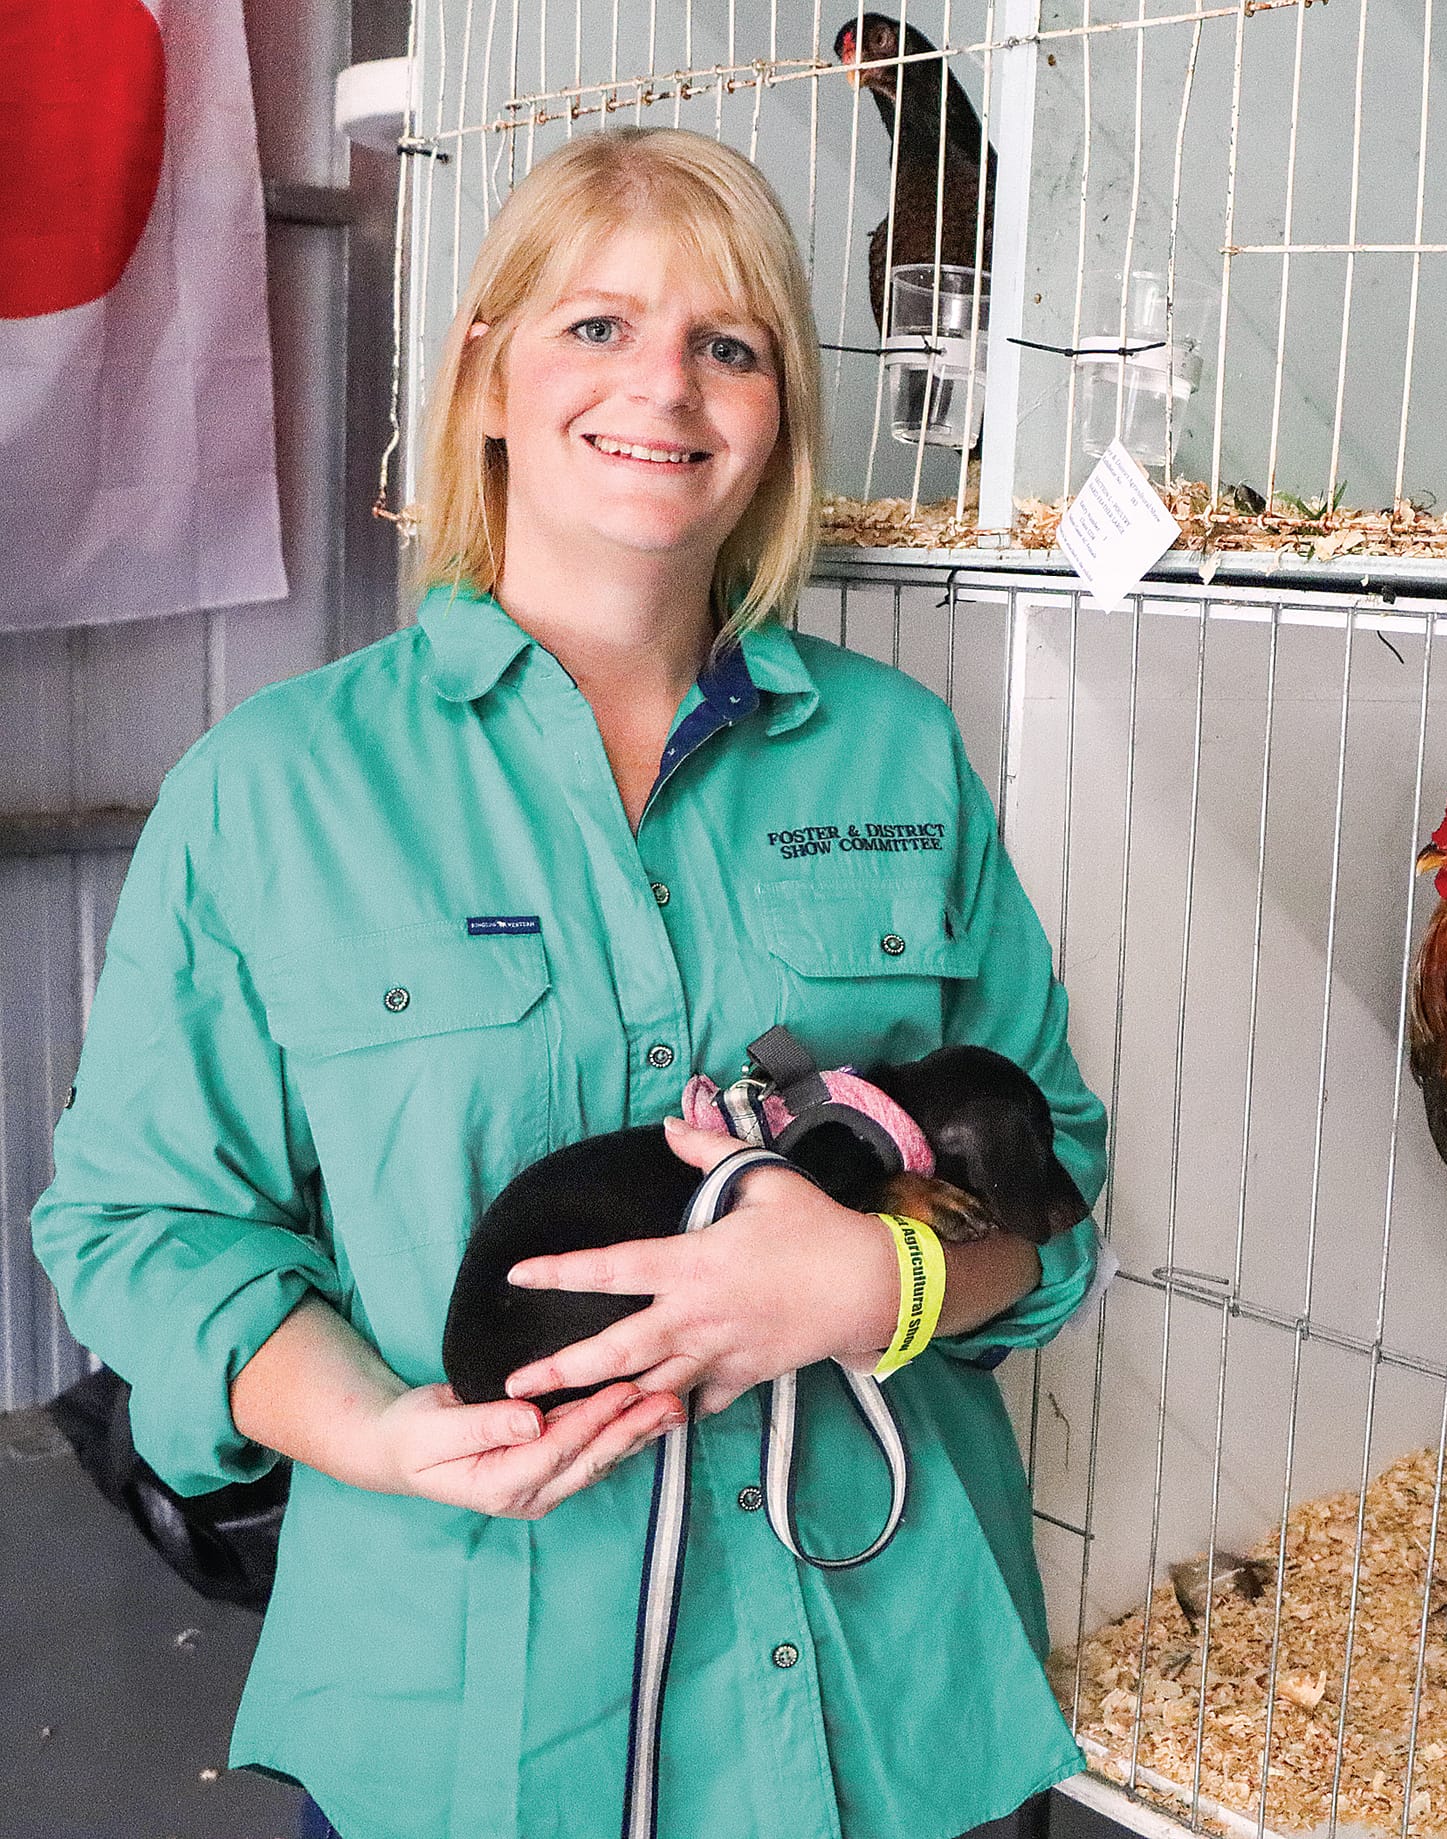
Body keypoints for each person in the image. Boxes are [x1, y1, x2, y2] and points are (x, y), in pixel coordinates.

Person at [32, 127, 1107, 1839]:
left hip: (884, 1705)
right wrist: (379, 1430)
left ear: (775, 417)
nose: (663, 389)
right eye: (597, 327)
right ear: (487, 378)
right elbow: (142, 1226)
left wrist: (877, 1289)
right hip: (476, 1710)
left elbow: (1052, 1188)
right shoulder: (277, 786)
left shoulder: (899, 753)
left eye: (728, 345)